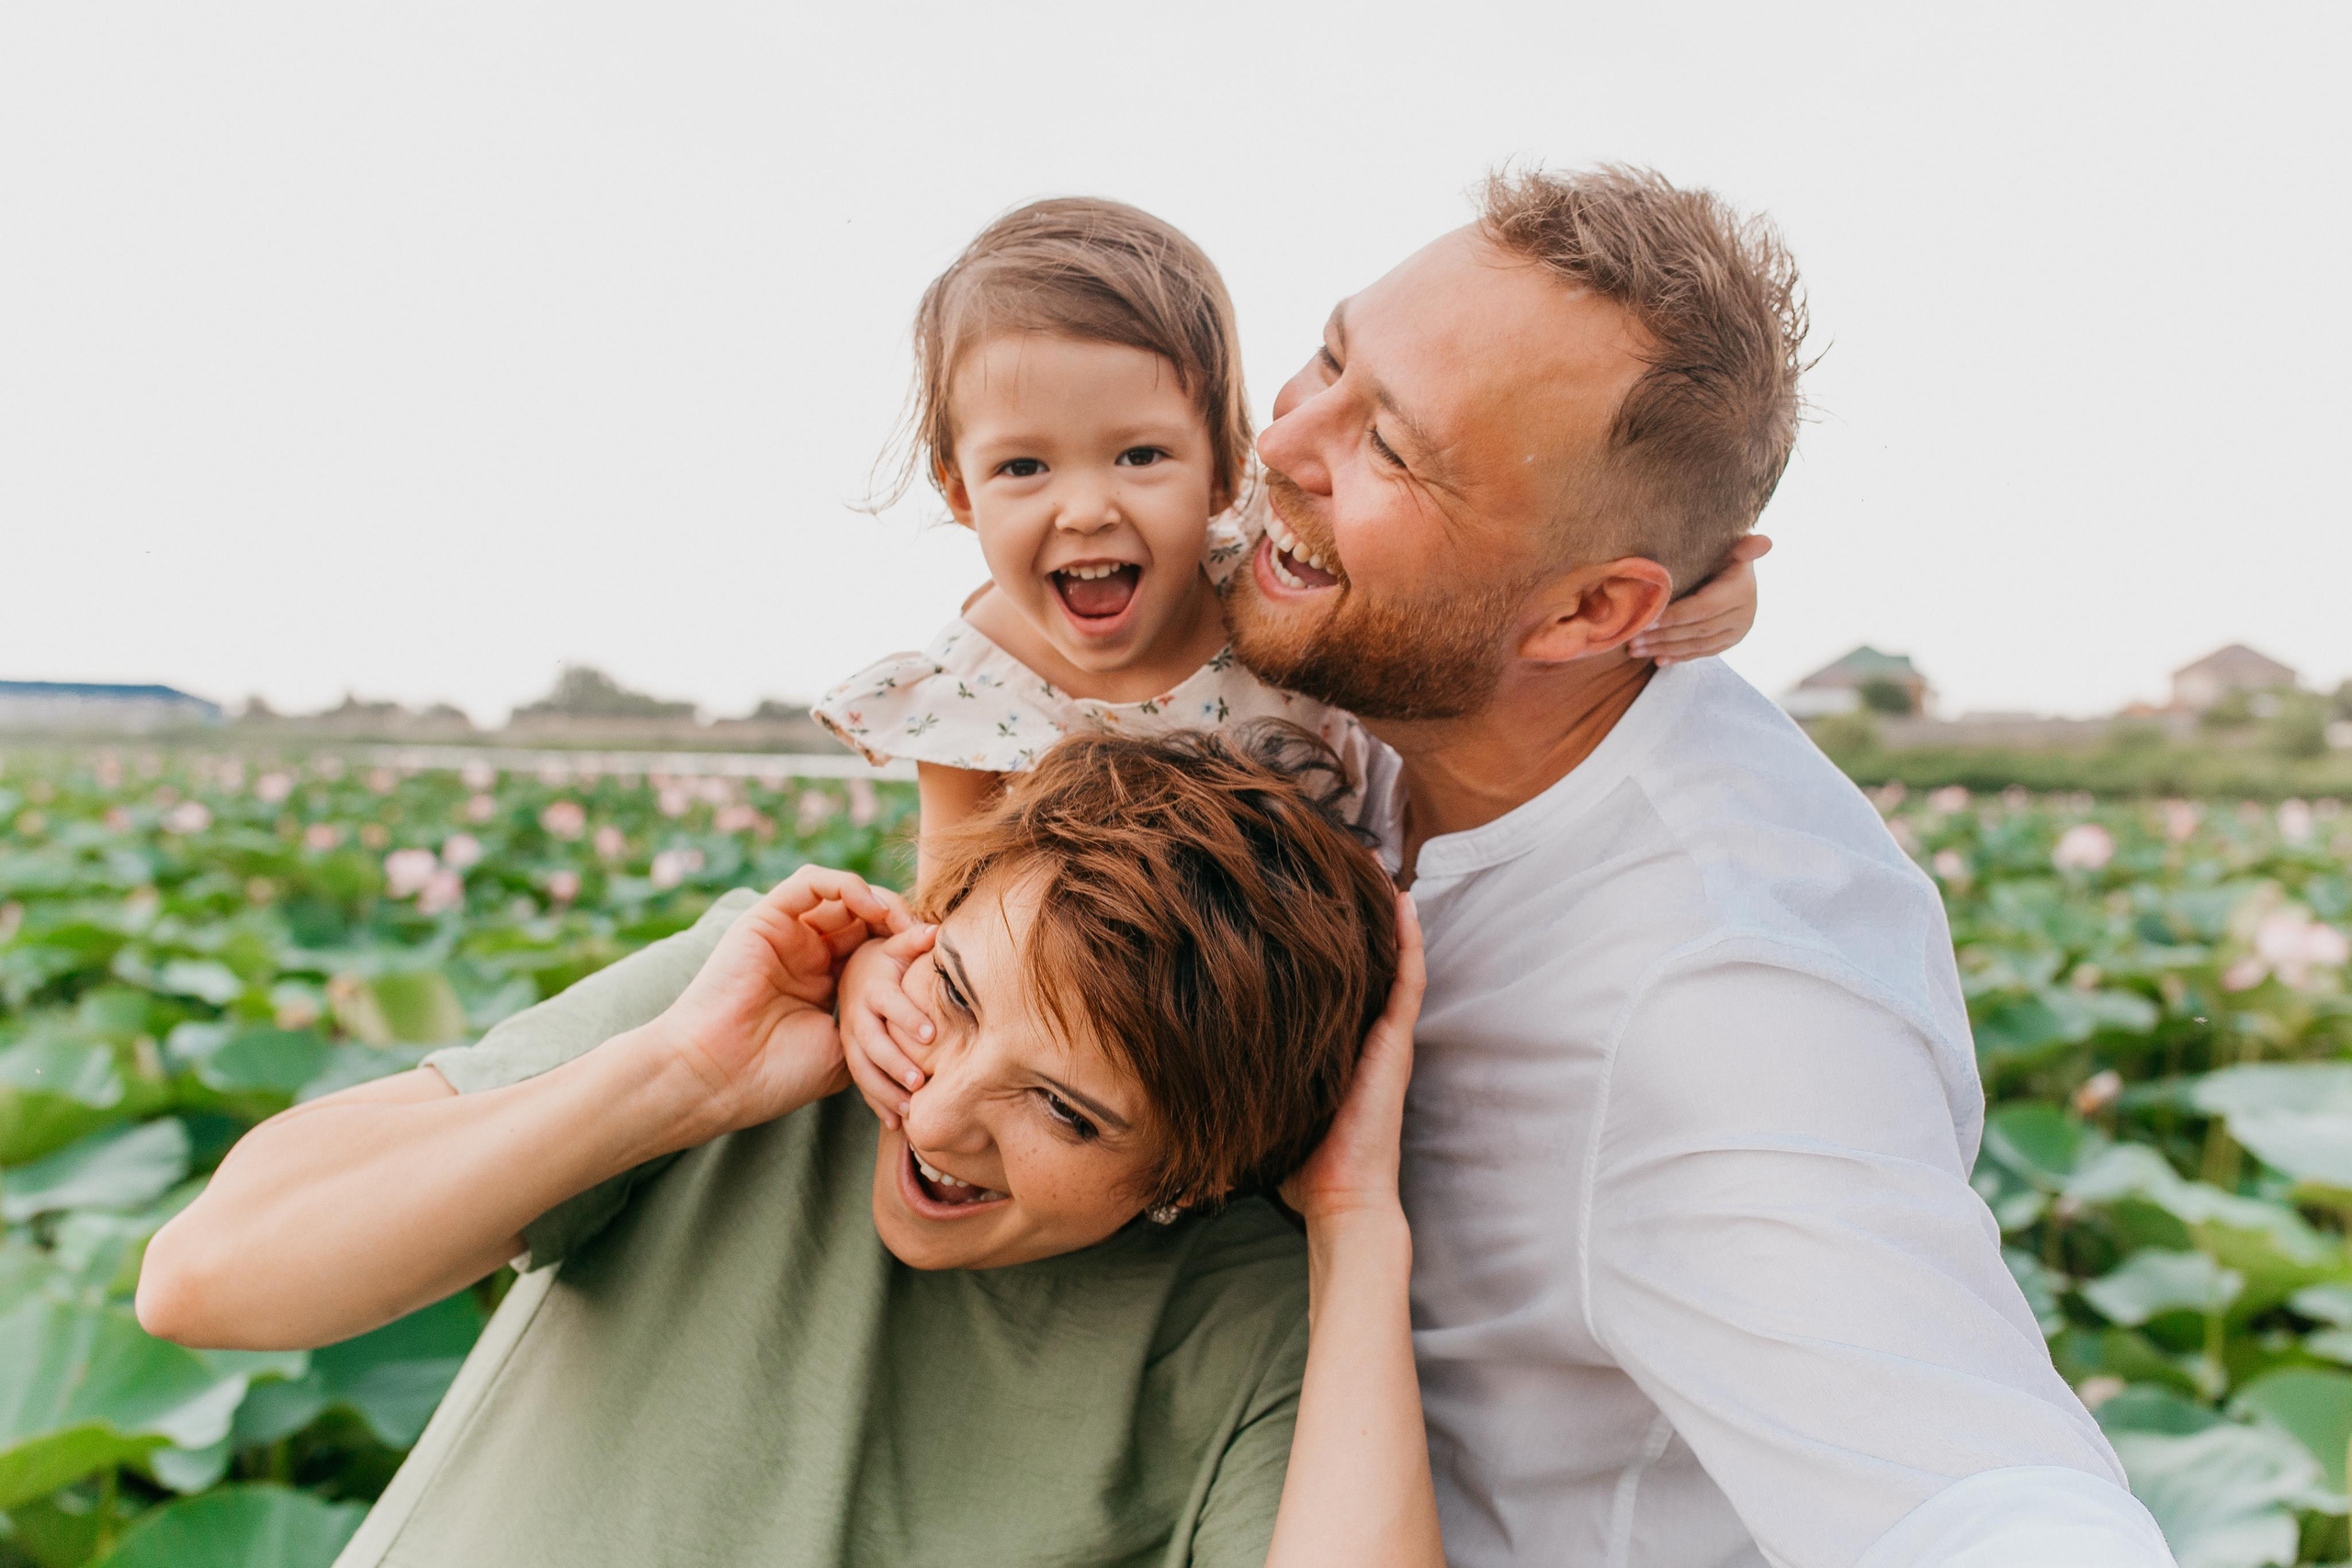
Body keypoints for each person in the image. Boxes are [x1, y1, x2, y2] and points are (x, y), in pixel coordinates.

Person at [1207, 164, 2176, 1566]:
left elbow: (1981, 1498)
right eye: (1329, 355)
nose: (1286, 435)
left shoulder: (1727, 998)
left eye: (1395, 449)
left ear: (1599, 609)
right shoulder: (1402, 694)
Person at [137, 730, 1449, 1568]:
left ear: (1199, 1169)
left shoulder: (1259, 1318)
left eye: (1065, 1109)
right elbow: (205, 1279)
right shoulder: (758, 1007)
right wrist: (677, 1078)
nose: (936, 1115)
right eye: (961, 992)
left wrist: (1353, 1217)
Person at [809, 196, 1765, 1130]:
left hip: (1319, 1034)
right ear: (960, 490)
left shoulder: (1263, 580)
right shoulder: (973, 699)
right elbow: (940, 921)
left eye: (1141, 456)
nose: (1087, 508)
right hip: (1126, 1072)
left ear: (1223, 469)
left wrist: (1700, 585)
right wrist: (871, 978)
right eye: (1023, 468)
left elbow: (1510, 558)